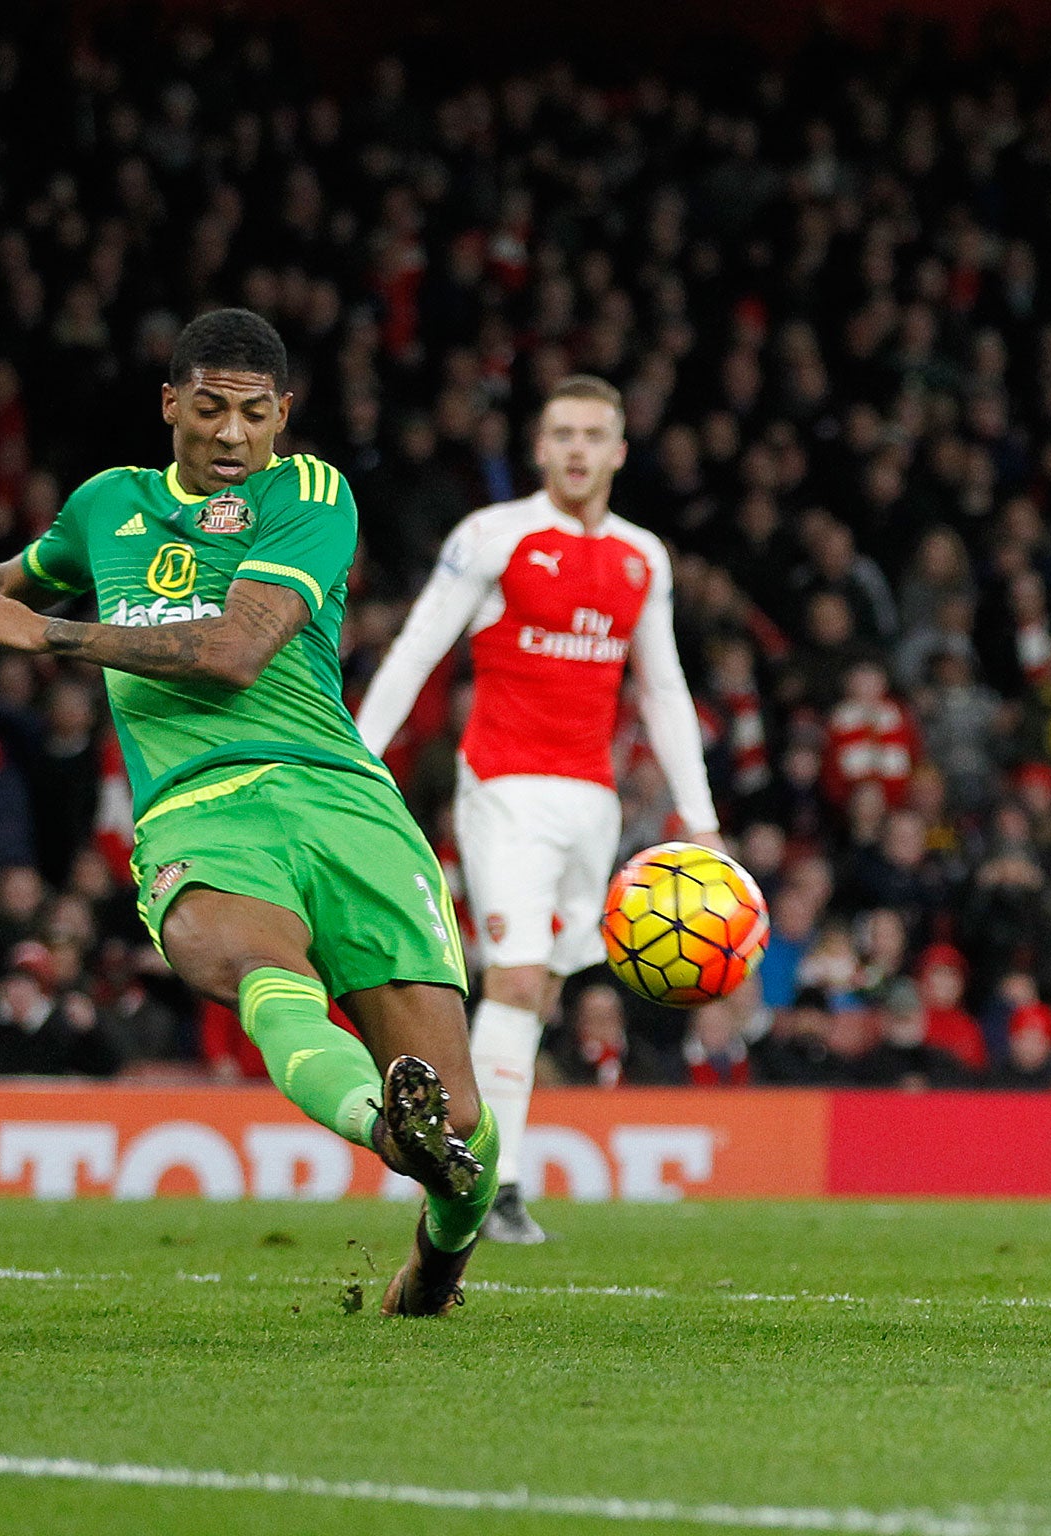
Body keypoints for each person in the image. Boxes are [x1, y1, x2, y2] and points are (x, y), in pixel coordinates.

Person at [0, 309, 495, 1317]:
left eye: (252, 414)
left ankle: (434, 1270)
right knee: (256, 967)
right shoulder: (106, 506)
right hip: (201, 813)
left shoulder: (312, 493)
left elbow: (235, 653)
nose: (232, 435)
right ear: (170, 405)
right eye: (209, 410)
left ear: (281, 414)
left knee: (464, 1122)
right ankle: (381, 1122)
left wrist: (55, 640)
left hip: (341, 800)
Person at [355, 374, 720, 1244]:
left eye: (595, 434)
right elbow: (417, 649)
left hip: (591, 799)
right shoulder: (494, 536)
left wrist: (698, 818)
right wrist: (359, 760)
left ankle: (487, 1172)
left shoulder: (642, 556)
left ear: (620, 450)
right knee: (514, 975)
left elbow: (663, 688)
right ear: (540, 447)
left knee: (543, 990)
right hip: (504, 785)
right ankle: (493, 1180)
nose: (578, 449)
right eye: (563, 433)